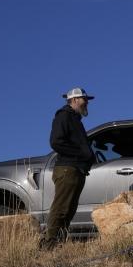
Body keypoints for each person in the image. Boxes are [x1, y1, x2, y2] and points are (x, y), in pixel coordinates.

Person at [41, 87, 95, 249]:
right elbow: (56, 142)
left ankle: (59, 243)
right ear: (74, 100)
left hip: (76, 169)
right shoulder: (63, 116)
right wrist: (80, 154)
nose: (86, 103)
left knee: (69, 209)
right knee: (61, 207)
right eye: (84, 99)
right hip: (67, 169)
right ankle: (49, 242)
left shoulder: (75, 119)